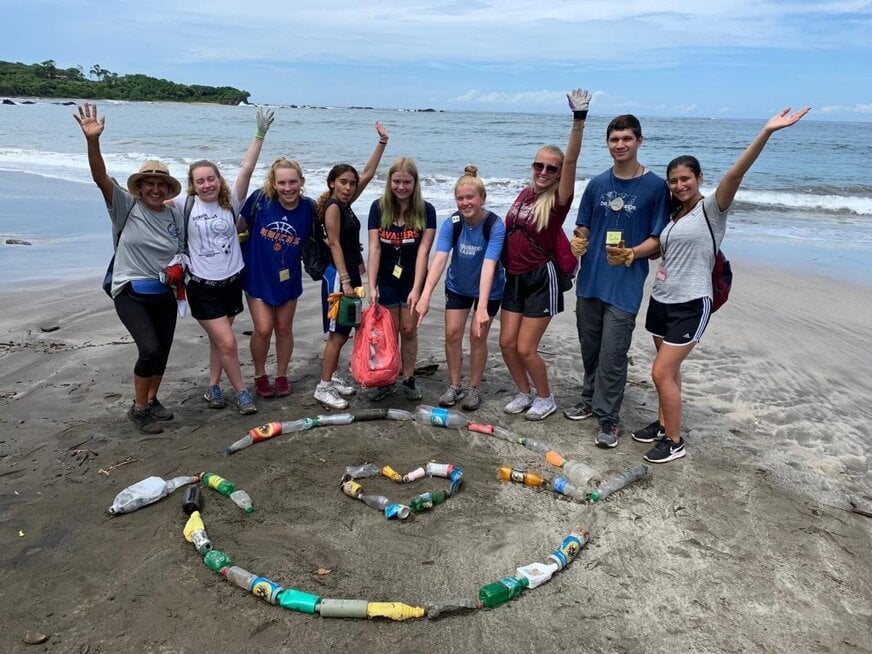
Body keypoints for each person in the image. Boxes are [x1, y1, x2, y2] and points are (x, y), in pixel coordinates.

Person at [633, 107, 810, 463]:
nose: (679, 185)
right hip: (662, 298)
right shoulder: (673, 215)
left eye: (686, 178)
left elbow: (737, 171)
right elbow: (659, 249)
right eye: (673, 180)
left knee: (660, 372)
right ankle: (665, 421)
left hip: (691, 301)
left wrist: (767, 130)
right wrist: (631, 253)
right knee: (669, 371)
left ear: (698, 177)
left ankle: (675, 441)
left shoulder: (713, 208)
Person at [74, 103, 186, 435]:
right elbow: (99, 176)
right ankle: (138, 410)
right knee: (148, 349)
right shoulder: (125, 206)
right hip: (130, 292)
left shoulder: (174, 216)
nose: (155, 189)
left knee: (162, 352)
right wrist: (93, 141)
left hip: (164, 292)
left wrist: (180, 271)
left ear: (168, 190)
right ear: (139, 187)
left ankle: (152, 400)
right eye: (149, 183)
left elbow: (181, 253)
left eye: (161, 185)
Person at [566, 114, 670, 448]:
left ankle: (609, 419)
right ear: (607, 143)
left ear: (639, 141)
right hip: (590, 281)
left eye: (626, 138)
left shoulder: (655, 187)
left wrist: (633, 253)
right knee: (590, 348)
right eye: (614, 139)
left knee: (613, 354)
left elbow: (659, 239)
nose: (620, 145)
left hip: (624, 287)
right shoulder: (597, 184)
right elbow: (583, 225)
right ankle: (588, 399)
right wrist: (578, 239)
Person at [173, 107, 274, 415]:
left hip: (231, 283)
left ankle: (213, 387)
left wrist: (259, 134)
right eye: (200, 181)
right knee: (229, 343)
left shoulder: (231, 201)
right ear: (192, 185)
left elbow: (245, 169)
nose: (207, 185)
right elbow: (150, 201)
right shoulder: (183, 204)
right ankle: (242, 392)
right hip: (202, 287)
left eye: (211, 178)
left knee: (221, 341)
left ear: (218, 180)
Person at [499, 88, 590, 421]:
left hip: (542, 278)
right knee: (507, 344)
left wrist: (578, 121)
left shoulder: (558, 201)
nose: (543, 171)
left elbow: (573, 161)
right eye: (539, 165)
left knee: (526, 347)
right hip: (514, 278)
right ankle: (523, 393)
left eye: (551, 168)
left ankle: (545, 398)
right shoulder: (524, 193)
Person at [313, 122, 390, 410]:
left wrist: (382, 143)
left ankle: (332, 376)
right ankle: (323, 386)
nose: (348, 187)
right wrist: (345, 280)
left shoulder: (344, 204)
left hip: (350, 278)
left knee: (347, 328)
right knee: (339, 333)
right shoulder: (332, 207)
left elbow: (367, 175)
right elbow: (334, 244)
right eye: (343, 182)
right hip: (338, 279)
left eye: (351, 183)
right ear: (332, 182)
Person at [416, 165, 505, 411]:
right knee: (452, 333)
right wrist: (425, 296)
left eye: (470, 197)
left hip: (489, 288)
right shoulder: (452, 224)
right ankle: (455, 385)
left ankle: (474, 388)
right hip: (457, 285)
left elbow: (489, 265)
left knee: (478, 335)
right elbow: (440, 259)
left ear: (482, 198)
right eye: (460, 198)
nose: (465, 203)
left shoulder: (495, 226)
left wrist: (482, 308)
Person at [238, 156, 315, 399]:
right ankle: (260, 376)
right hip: (258, 275)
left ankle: (281, 375)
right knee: (263, 329)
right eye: (282, 183)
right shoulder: (260, 199)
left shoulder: (310, 207)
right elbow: (238, 227)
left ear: (301, 182)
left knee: (283, 328)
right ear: (273, 183)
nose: (288, 188)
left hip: (288, 277)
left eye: (293, 182)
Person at [366, 157, 437, 402]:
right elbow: (374, 248)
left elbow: (423, 252)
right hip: (385, 279)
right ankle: (385, 379)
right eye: (396, 181)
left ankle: (407, 378)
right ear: (389, 182)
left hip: (411, 279)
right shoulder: (378, 207)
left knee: (408, 330)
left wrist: (418, 289)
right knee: (385, 333)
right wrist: (371, 285)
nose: (401, 187)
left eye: (407, 182)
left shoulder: (426, 210)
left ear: (415, 183)